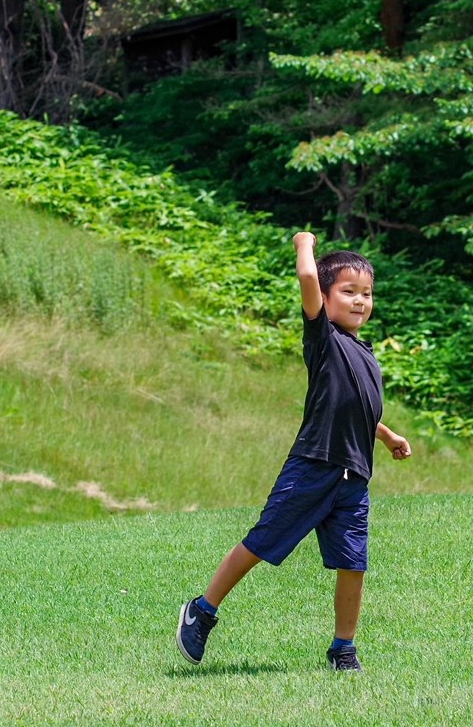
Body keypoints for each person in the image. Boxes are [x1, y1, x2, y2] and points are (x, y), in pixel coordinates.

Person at [176, 231, 412, 673]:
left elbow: (354, 408)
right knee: (263, 541)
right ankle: (202, 610)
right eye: (348, 291)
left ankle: (344, 648)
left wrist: (387, 436)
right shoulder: (323, 338)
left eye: (367, 294)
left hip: (353, 477)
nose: (360, 301)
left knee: (353, 562)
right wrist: (304, 242)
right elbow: (307, 272)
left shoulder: (364, 351)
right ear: (324, 297)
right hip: (313, 466)